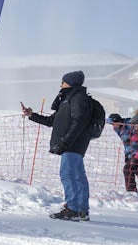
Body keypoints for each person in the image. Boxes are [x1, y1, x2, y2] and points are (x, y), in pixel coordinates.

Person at [21, 70, 98, 221]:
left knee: (67, 175)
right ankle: (82, 210)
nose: (60, 84)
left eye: (63, 82)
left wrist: (66, 141)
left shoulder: (77, 98)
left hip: (72, 144)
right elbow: (52, 122)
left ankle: (72, 209)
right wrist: (32, 115)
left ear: (69, 83)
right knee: (77, 176)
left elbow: (79, 121)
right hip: (74, 143)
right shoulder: (68, 99)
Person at [109, 110, 138, 193]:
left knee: (128, 170)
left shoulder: (129, 124)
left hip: (137, 152)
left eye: (113, 123)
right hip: (129, 153)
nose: (113, 126)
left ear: (118, 121)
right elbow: (125, 142)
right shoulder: (117, 129)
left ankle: (132, 192)